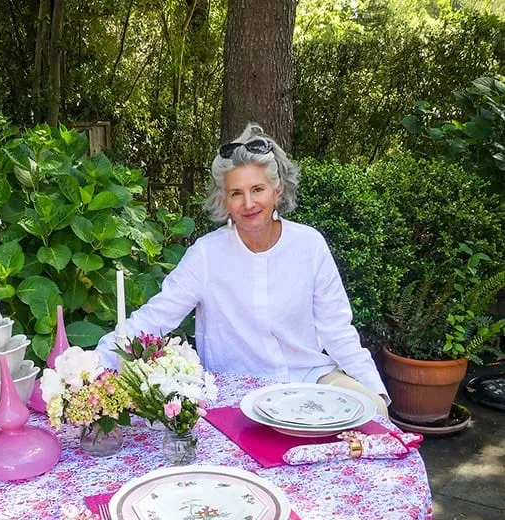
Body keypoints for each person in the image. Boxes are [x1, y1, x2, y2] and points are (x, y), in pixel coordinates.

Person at [97, 123, 389, 417]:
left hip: (308, 379)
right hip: (236, 390)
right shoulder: (206, 254)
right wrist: (91, 367)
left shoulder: (309, 245)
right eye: (237, 193)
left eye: (257, 189)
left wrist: (373, 389)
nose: (248, 203)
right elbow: (155, 318)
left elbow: (338, 330)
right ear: (224, 200)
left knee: (375, 411)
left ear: (277, 190)